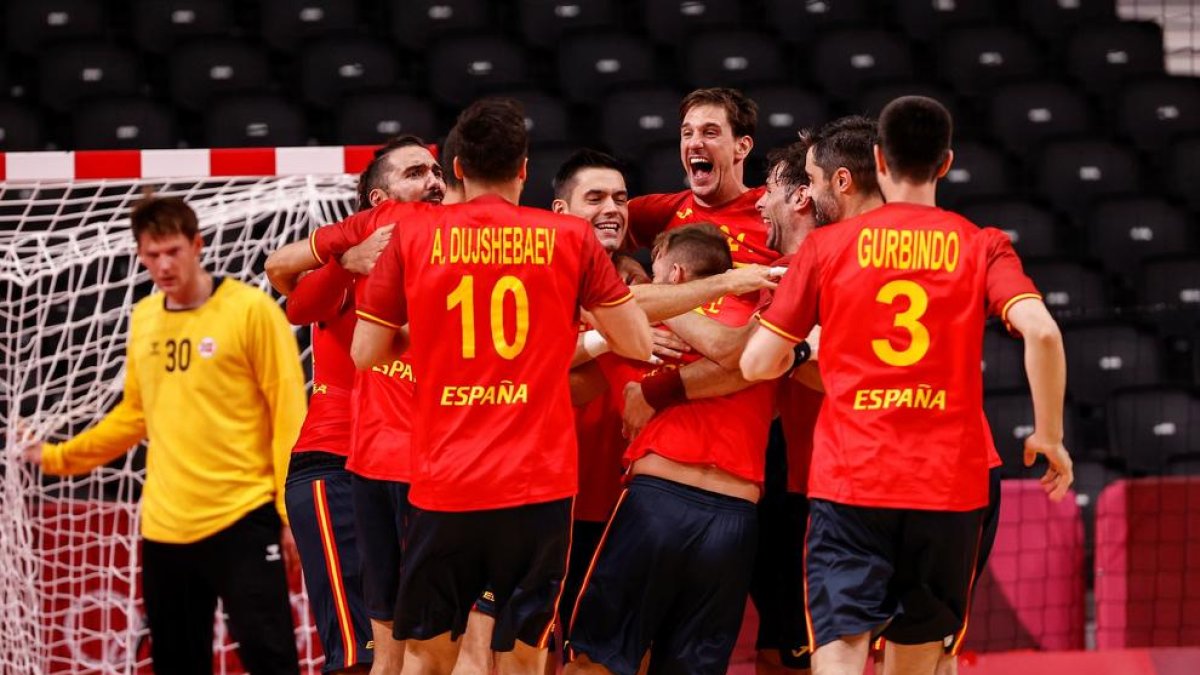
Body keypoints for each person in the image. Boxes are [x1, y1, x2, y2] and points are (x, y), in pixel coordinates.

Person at [741, 96, 1073, 675]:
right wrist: (1049, 436)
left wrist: (807, 350)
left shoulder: (826, 247)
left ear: (879, 160)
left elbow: (757, 364)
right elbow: (1042, 333)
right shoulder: (981, 243)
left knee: (839, 651)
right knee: (919, 660)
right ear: (946, 163)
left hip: (853, 481)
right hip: (948, 486)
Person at [345, 98, 652, 675]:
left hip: (446, 481)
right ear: (524, 170)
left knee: (426, 655)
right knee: (524, 655)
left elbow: (365, 353)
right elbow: (635, 343)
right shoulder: (570, 237)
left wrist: (431, 330)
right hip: (539, 486)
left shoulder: (413, 234)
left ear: (458, 168)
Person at [24, 196, 307, 674]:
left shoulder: (251, 310)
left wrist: (289, 510)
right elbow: (135, 415)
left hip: (242, 515)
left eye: (173, 251)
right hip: (164, 527)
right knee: (176, 665)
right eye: (152, 255)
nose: (163, 265)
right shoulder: (145, 318)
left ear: (197, 245)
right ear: (139, 255)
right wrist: (57, 457)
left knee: (272, 660)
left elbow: (289, 413)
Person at [565, 224, 777, 675]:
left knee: (595, 660)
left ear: (674, 272)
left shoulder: (646, 321)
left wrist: (630, 318)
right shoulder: (759, 317)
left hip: (658, 504)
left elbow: (566, 382)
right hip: (735, 518)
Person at [281, 136, 446, 675]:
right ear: (379, 200)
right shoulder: (354, 260)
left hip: (417, 470)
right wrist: (346, 262)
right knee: (359, 655)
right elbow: (296, 303)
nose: (434, 181)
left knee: (422, 652)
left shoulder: (449, 261)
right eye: (415, 173)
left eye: (437, 171)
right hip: (337, 464)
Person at [627, 87, 777, 267]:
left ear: (742, 147)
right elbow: (595, 236)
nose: (694, 143)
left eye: (710, 132)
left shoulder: (775, 208)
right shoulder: (659, 211)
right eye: (687, 133)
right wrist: (622, 262)